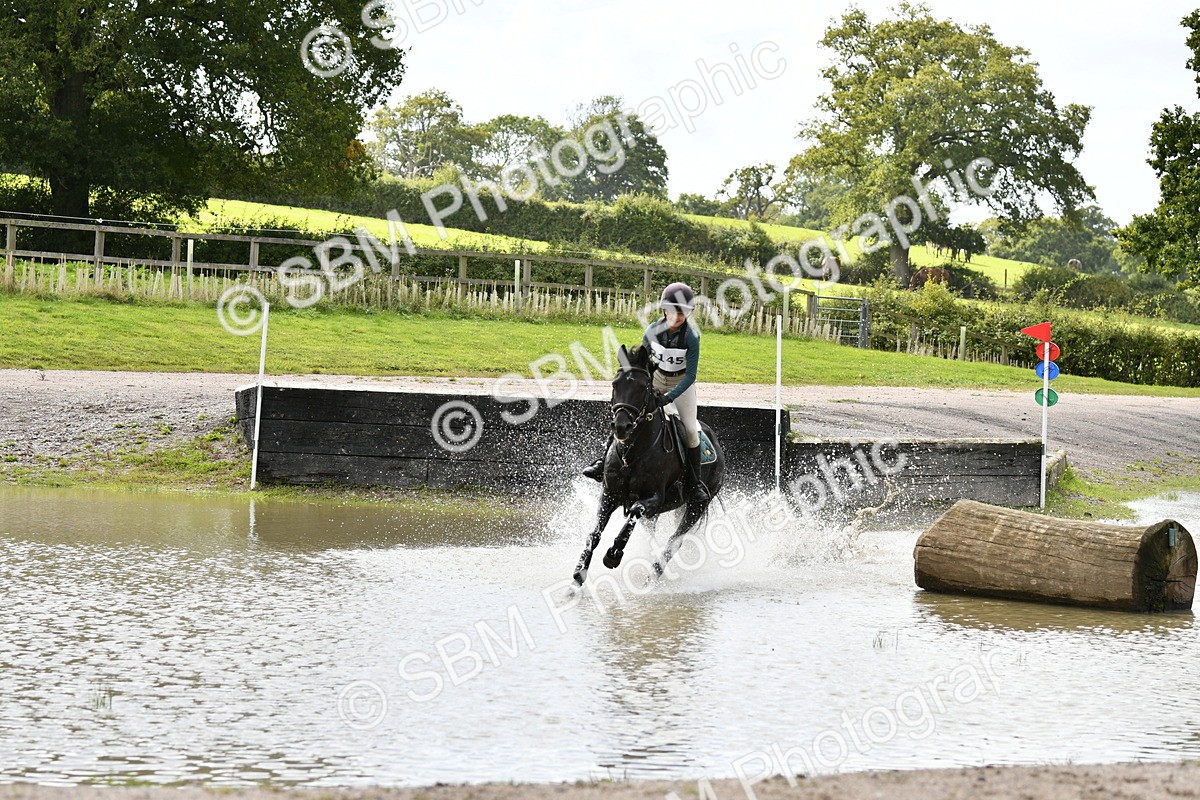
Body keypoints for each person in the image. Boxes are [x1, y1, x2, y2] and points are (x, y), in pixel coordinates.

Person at [582, 281, 710, 502]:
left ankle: (695, 483)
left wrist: (668, 398)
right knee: (629, 415)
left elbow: (690, 376)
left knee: (690, 429)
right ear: (663, 310)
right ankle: (602, 462)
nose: (676, 317)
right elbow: (642, 365)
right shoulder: (653, 330)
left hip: (681, 385)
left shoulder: (691, 337)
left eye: (682, 313)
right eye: (672, 312)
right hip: (657, 379)